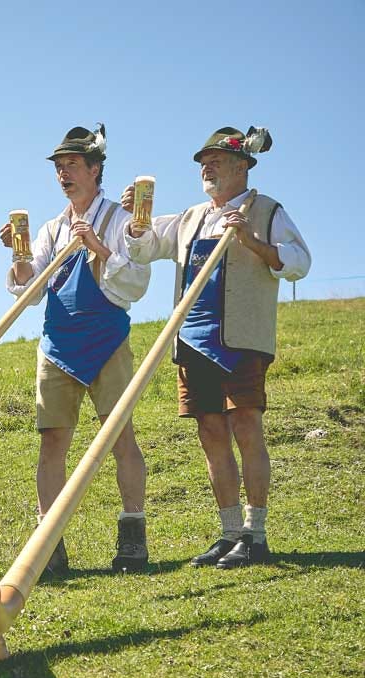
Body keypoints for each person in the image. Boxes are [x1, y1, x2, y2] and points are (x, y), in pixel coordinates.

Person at [122, 126, 310, 568]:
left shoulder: (266, 210)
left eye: (216, 161)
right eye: (203, 162)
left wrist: (253, 242)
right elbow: (145, 248)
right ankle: (228, 535)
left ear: (242, 166)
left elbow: (299, 261)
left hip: (241, 337)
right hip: (192, 338)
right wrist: (138, 220)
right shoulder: (189, 217)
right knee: (210, 434)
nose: (207, 168)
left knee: (246, 426)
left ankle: (256, 535)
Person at [0, 124, 152, 573]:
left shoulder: (121, 220)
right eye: (58, 167)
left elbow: (137, 284)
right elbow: (29, 292)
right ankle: (50, 545)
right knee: (52, 441)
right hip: (57, 343)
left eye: (71, 165)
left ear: (94, 169)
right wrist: (19, 255)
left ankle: (132, 538)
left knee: (120, 436)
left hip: (107, 339)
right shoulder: (49, 228)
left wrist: (98, 246)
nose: (63, 174)